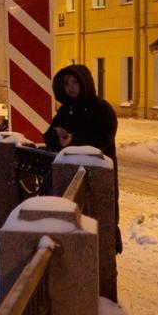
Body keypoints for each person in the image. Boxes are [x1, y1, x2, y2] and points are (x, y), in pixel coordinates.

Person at [43, 63, 120, 253]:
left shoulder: (101, 108)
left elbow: (104, 139)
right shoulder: (66, 108)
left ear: (85, 83)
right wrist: (58, 138)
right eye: (67, 83)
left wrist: (73, 140)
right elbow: (48, 136)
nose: (70, 87)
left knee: (99, 220)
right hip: (69, 174)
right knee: (73, 223)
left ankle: (103, 259)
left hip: (97, 173)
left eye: (75, 82)